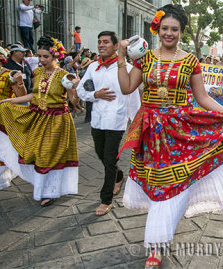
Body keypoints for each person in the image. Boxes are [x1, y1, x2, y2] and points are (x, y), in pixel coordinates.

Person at [117, 4, 223, 268]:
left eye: (175, 29)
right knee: (159, 187)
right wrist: (120, 56)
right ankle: (160, 238)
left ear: (181, 32)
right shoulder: (144, 59)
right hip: (151, 133)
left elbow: (202, 98)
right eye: (165, 28)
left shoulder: (191, 61)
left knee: (172, 187)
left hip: (181, 132)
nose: (169, 33)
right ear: (157, 29)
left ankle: (156, 247)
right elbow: (126, 88)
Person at [0, 36, 80, 206]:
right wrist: (10, 101)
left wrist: (74, 88)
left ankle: (50, 191)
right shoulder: (37, 72)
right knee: (37, 154)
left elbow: (74, 102)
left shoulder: (64, 75)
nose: (41, 60)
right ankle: (43, 189)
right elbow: (34, 95)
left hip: (58, 120)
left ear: (55, 56)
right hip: (38, 117)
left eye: (45, 56)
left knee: (49, 155)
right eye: (39, 56)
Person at [76, 31, 141, 216]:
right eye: (99, 42)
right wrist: (94, 95)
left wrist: (136, 124)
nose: (101, 45)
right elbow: (81, 89)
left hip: (116, 121)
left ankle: (106, 199)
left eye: (105, 42)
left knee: (110, 159)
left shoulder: (126, 68)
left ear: (115, 46)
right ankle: (119, 176)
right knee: (101, 155)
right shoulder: (93, 67)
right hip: (97, 120)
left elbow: (133, 97)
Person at [0, 42, 27, 191]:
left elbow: (22, 96)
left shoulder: (9, 74)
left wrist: (19, 83)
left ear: (0, 59)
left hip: (1, 115)